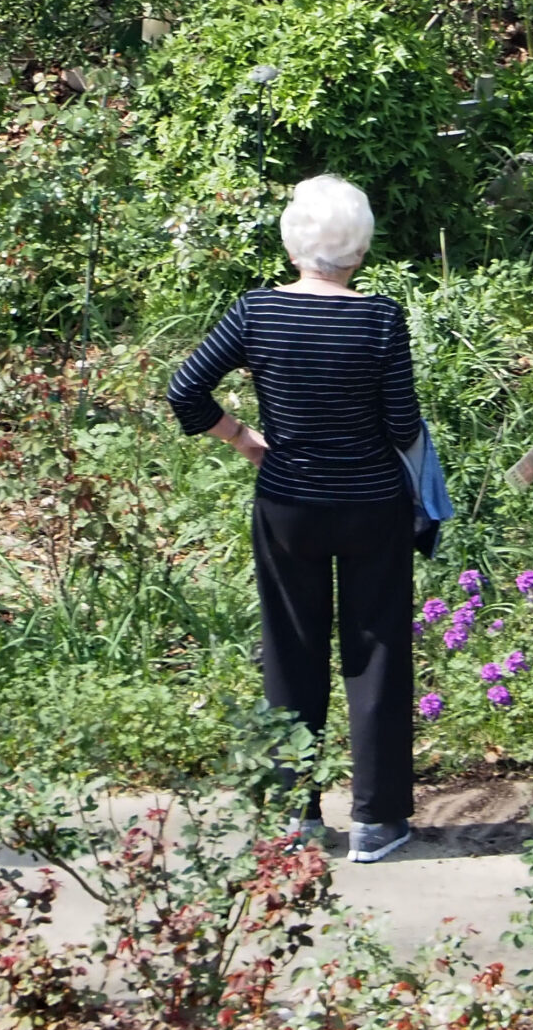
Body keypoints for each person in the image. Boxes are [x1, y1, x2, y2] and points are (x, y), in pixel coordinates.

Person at [169, 175, 422, 863]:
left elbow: (185, 389)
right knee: (377, 652)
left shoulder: (255, 312)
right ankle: (377, 820)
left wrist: (244, 440)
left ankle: (294, 816)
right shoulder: (380, 319)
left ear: (293, 244)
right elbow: (402, 424)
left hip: (288, 504)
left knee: (289, 651)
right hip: (372, 505)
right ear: (361, 249)